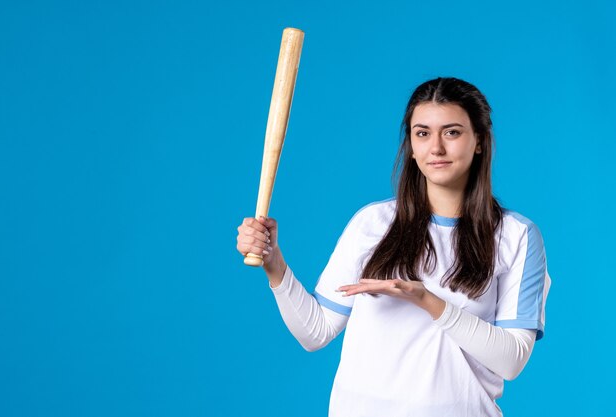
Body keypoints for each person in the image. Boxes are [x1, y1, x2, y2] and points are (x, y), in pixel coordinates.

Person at [236, 77, 551, 417]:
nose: (436, 148)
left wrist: (427, 300)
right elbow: (316, 331)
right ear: (411, 145)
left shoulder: (516, 236)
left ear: (479, 141)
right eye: (422, 133)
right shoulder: (373, 223)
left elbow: (512, 360)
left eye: (452, 132)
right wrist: (274, 264)